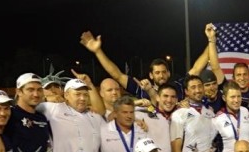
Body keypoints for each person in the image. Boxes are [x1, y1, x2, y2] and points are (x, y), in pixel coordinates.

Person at [80, 30, 210, 102]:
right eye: (157, 73)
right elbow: (117, 75)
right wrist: (98, 51)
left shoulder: (179, 86)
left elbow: (197, 68)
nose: (161, 75)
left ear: (169, 73)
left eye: (164, 72)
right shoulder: (141, 88)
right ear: (151, 75)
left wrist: (211, 41)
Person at [170, 75, 216, 152]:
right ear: (186, 91)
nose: (198, 90)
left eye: (200, 86)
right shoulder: (179, 114)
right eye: (193, 87)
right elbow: (175, 149)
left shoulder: (210, 111)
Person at [212, 81, 249, 152]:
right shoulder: (217, 119)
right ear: (224, 98)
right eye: (232, 97)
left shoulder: (245, 111)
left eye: (239, 96)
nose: (237, 100)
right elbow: (209, 145)